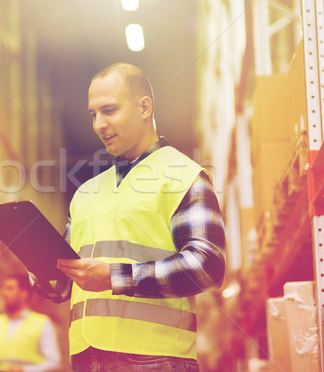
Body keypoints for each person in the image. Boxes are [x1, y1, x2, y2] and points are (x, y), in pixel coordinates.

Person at [32, 63, 226, 371]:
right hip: (87, 360)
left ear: (144, 107)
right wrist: (38, 262)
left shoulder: (182, 176)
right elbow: (59, 288)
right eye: (93, 114)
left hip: (156, 359)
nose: (99, 124)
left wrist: (114, 277)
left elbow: (208, 265)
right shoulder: (87, 193)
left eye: (109, 110)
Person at [0, 274, 61, 372]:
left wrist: (24, 370)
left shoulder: (43, 323)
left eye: (9, 288)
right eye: (2, 288)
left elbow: (54, 363)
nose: (3, 293)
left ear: (24, 293)